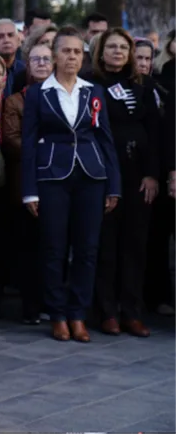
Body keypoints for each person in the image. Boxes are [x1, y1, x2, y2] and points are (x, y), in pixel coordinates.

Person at [21, 27, 121, 343]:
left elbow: (106, 139)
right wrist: (29, 189)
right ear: (54, 55)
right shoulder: (39, 93)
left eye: (77, 52)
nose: (72, 57)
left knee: (87, 249)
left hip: (92, 176)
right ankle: (58, 315)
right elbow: (28, 144)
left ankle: (78, 314)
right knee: (53, 248)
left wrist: (114, 185)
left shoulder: (93, 92)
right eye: (66, 51)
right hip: (52, 176)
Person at [89, 28, 160, 338]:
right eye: (112, 47)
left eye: (123, 47)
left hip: (138, 177)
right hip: (105, 175)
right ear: (101, 52)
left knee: (135, 245)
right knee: (107, 245)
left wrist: (152, 174)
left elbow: (155, 132)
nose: (118, 52)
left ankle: (132, 311)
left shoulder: (142, 86)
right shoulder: (91, 86)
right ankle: (107, 312)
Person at [0, 42, 53, 323]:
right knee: (28, 245)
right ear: (27, 66)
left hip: (59, 180)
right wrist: (49, 152)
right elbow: (10, 139)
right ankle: (31, 306)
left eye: (47, 59)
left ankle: (52, 302)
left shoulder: (65, 95)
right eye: (36, 60)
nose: (42, 63)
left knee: (52, 244)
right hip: (26, 179)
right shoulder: (16, 100)